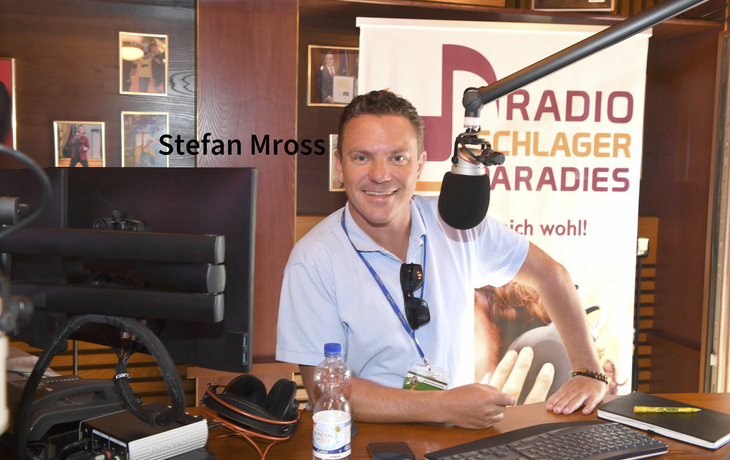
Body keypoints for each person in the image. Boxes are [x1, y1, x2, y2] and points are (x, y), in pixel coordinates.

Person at [276, 90, 607, 429]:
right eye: (362, 157)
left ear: (420, 163)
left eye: (398, 158)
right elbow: (324, 390)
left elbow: (551, 274)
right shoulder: (313, 260)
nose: (380, 174)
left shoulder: (457, 223)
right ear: (339, 164)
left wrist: (589, 371)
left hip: (458, 439)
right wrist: (442, 406)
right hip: (366, 442)